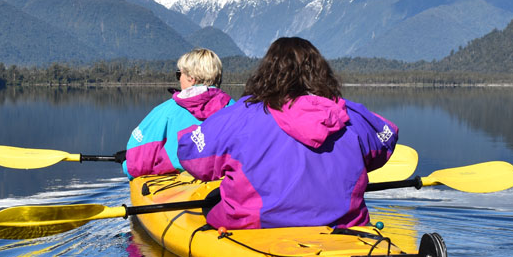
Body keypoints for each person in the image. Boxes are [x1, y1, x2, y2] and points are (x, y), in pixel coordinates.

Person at [176, 37, 397, 230]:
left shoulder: (238, 116)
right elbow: (387, 138)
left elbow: (193, 158)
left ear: (266, 73)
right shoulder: (349, 114)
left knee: (213, 200)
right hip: (343, 226)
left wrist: (189, 132)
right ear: (321, 72)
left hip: (255, 227)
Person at [123, 48, 233, 177]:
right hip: (219, 185)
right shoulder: (236, 108)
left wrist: (125, 164)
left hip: (176, 190)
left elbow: (136, 164)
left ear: (191, 78)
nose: (179, 79)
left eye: (179, 74)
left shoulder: (165, 112)